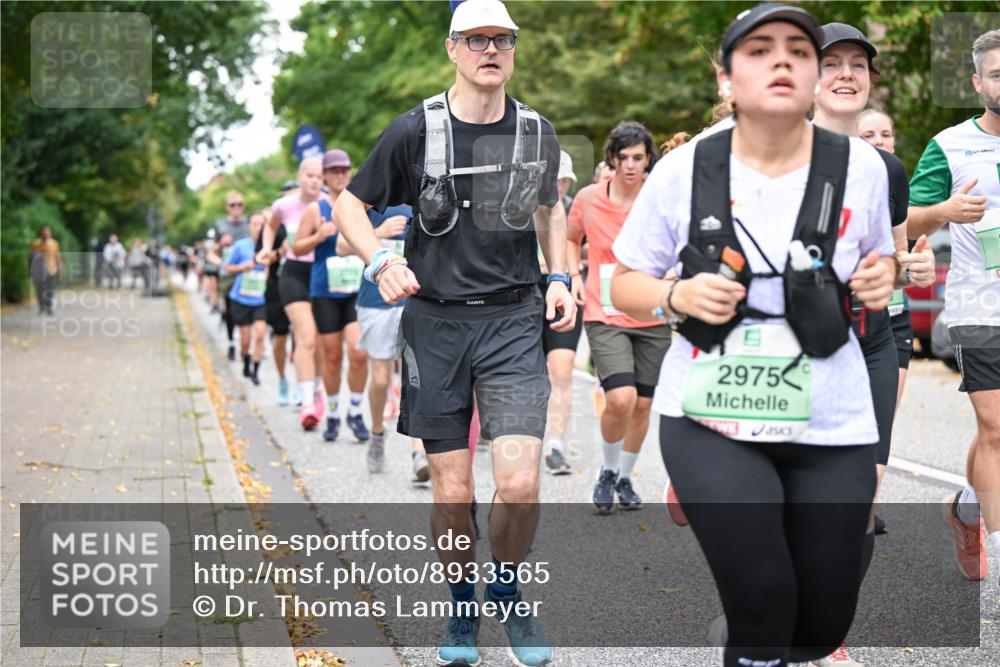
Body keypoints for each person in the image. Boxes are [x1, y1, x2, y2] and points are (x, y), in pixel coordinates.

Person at [611, 5, 899, 666]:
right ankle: (750, 632)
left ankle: (743, 638)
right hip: (710, 410)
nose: (782, 62)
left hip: (831, 412)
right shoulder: (684, 169)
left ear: (814, 76)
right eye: (760, 50)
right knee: (765, 601)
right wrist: (675, 294)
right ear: (726, 78)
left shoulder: (862, 166)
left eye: (798, 51)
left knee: (819, 627)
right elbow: (622, 283)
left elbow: (879, 258)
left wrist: (880, 277)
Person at [332, 1, 574, 664]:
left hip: (512, 322)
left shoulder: (536, 131)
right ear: (452, 48)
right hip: (434, 324)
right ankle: (463, 601)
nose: (490, 50)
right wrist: (380, 260)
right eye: (475, 39)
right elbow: (349, 203)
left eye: (502, 39)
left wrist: (559, 276)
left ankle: (507, 589)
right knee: (453, 491)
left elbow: (551, 209)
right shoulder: (414, 130)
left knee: (519, 484)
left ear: (514, 49)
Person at [810, 22, 936, 666]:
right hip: (794, 349)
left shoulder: (887, 169)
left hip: (870, 341)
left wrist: (911, 269)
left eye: (857, 64)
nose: (846, 74)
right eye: (831, 62)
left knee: (860, 493)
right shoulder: (770, 156)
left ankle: (828, 634)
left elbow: (892, 259)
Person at [907, 28, 1000, 582]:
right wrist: (945, 210)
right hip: (978, 307)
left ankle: (967, 508)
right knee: (995, 426)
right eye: (997, 74)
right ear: (977, 83)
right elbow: (907, 220)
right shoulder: (949, 145)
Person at [568, 121, 671, 511]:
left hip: (652, 313)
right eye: (623, 157)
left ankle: (626, 476)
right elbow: (571, 237)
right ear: (611, 159)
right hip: (605, 312)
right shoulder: (589, 198)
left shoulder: (659, 198)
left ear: (648, 160)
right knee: (621, 398)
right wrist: (571, 276)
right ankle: (608, 471)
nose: (630, 165)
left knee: (642, 404)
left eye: (638, 158)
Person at [340, 203, 431, 478]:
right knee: (380, 380)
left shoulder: (424, 194)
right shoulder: (369, 199)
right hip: (375, 302)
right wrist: (378, 233)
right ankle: (377, 433)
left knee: (415, 377)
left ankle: (419, 452)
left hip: (416, 299)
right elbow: (340, 247)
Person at [294, 149, 371, 443]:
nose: (340, 175)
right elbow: (297, 248)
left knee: (359, 352)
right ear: (325, 176)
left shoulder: (360, 205)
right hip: (325, 291)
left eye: (344, 169)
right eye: (334, 170)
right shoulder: (316, 209)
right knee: (331, 356)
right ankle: (334, 413)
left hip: (355, 289)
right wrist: (318, 236)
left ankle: (355, 411)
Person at [258, 157, 327, 430]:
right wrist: (266, 248)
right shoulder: (284, 205)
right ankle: (307, 402)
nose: (314, 181)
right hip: (294, 273)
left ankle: (316, 388)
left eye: (319, 177)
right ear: (300, 177)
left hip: (321, 273)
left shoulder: (329, 203)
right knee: (306, 335)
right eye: (310, 175)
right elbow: (270, 225)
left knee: (320, 340)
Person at [539, 151, 583, 476]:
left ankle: (554, 445)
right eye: (556, 179)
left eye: (565, 180)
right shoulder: (523, 207)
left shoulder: (576, 210)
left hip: (565, 292)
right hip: (527, 292)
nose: (560, 185)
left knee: (562, 370)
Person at [226, 212, 269, 385]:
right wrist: (243, 267)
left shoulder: (268, 246)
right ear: (249, 226)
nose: (258, 228)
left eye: (261, 224)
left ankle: (255, 371)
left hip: (260, 299)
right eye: (255, 224)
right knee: (245, 341)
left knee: (260, 334)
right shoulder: (241, 246)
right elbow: (228, 267)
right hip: (241, 298)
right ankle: (245, 360)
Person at [255, 206, 292, 405]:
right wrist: (280, 252)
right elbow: (260, 257)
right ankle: (282, 379)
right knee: (281, 337)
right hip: (277, 286)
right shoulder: (273, 226)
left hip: (306, 283)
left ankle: (306, 385)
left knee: (306, 337)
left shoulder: (316, 215)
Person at [29, 226, 62, 315]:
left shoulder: (54, 243)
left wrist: (60, 267)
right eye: (44, 233)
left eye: (47, 233)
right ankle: (41, 306)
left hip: (52, 269)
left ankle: (49, 308)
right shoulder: (36, 244)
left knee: (50, 289)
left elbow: (57, 255)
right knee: (40, 289)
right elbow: (31, 257)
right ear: (41, 234)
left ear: (50, 234)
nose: (46, 235)